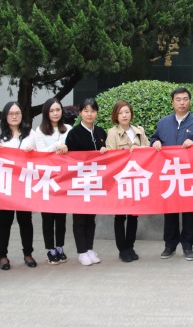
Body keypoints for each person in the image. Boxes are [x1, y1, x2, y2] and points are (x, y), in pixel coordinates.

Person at [150, 87, 193, 261]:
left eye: (185, 99)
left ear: (189, 101)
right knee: (170, 211)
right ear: (172, 102)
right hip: (169, 173)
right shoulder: (163, 123)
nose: (182, 102)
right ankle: (170, 245)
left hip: (189, 174)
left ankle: (188, 246)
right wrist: (155, 142)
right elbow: (154, 138)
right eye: (178, 99)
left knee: (189, 211)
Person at [0, 101, 38, 271]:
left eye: (17, 113)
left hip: (24, 184)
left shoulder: (30, 134)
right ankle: (2, 256)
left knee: (26, 220)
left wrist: (33, 152)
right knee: (4, 221)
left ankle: (28, 253)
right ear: (5, 116)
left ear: (22, 115)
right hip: (5, 185)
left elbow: (41, 157)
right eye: (11, 113)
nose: (14, 116)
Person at [65, 98, 108, 266]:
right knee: (79, 218)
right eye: (86, 111)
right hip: (79, 182)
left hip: (96, 182)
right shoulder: (73, 134)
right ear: (80, 113)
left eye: (93, 111)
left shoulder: (101, 132)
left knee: (91, 217)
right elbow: (68, 160)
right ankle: (82, 251)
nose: (90, 114)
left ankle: (89, 248)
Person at [105, 100, 147, 263]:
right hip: (120, 180)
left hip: (136, 178)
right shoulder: (112, 133)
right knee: (120, 216)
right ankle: (122, 249)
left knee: (134, 216)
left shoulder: (139, 131)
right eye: (121, 112)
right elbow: (111, 156)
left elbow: (149, 150)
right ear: (116, 115)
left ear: (131, 114)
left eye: (127, 112)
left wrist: (139, 149)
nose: (124, 115)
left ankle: (130, 246)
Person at [35, 98, 71, 266]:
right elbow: (41, 153)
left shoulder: (68, 129)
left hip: (63, 179)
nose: (55, 113)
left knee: (61, 217)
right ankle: (50, 249)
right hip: (46, 179)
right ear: (46, 113)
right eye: (52, 110)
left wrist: (66, 147)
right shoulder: (39, 131)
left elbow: (73, 151)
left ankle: (60, 247)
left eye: (58, 110)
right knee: (48, 217)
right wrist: (57, 145)